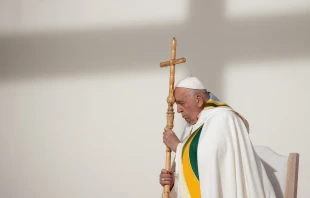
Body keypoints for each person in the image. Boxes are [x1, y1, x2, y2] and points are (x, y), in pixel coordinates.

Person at [159, 77, 276, 198]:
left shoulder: (224, 118)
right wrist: (173, 182)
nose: (178, 109)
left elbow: (210, 162)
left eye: (181, 103)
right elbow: (198, 178)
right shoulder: (190, 128)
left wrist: (179, 148)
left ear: (198, 100)